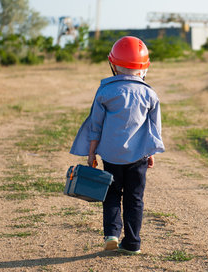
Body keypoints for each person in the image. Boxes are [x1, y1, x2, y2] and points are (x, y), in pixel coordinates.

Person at [69, 36, 165, 254]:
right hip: (138, 157)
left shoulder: (105, 92)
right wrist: (151, 152)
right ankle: (132, 242)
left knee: (112, 194)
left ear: (112, 64)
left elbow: (96, 126)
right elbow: (154, 129)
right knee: (135, 198)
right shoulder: (150, 94)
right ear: (145, 67)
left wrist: (91, 152)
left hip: (111, 156)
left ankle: (112, 234)